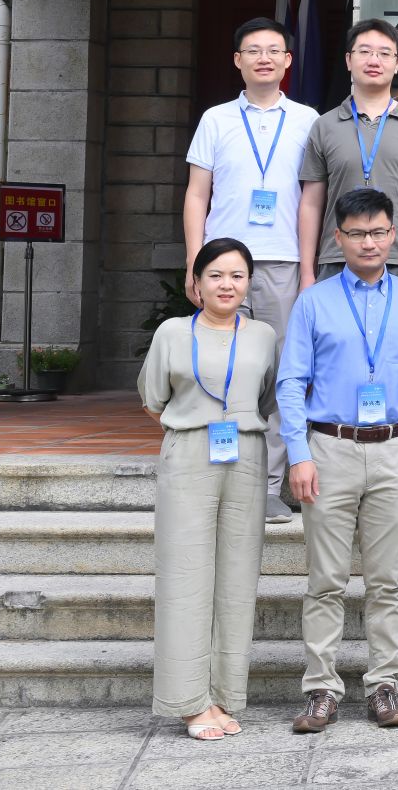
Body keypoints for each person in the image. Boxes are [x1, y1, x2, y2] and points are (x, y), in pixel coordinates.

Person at [277, 188, 398, 734]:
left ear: (393, 235)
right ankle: (321, 690)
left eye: (377, 232)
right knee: (325, 580)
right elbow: (291, 382)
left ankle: (383, 685)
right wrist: (298, 454)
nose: (368, 242)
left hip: (397, 448)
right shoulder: (314, 302)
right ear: (338, 238)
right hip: (329, 449)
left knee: (387, 580)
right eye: (356, 233)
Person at [140, 238, 278, 740]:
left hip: (246, 454)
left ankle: (222, 696)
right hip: (190, 453)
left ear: (248, 283)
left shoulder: (263, 336)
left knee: (237, 579)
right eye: (215, 275)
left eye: (237, 276)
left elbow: (265, 398)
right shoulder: (173, 332)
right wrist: (193, 424)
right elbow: (153, 400)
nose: (226, 285)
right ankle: (188, 701)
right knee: (185, 577)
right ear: (196, 283)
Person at [182, 17, 319, 523]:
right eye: (253, 50)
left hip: (284, 260)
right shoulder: (215, 119)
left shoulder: (308, 120)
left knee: (282, 375)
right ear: (237, 60)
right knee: (220, 373)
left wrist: (308, 270)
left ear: (288, 61)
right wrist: (195, 263)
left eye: (274, 50)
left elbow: (313, 200)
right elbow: (197, 194)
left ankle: (269, 486)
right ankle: (221, 480)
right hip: (222, 264)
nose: (264, 58)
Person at [298, 19, 398, 295]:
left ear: (397, 64)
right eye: (364, 51)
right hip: (337, 258)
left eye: (384, 53)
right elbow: (311, 203)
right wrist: (307, 271)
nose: (374, 60)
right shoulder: (325, 125)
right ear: (348, 60)